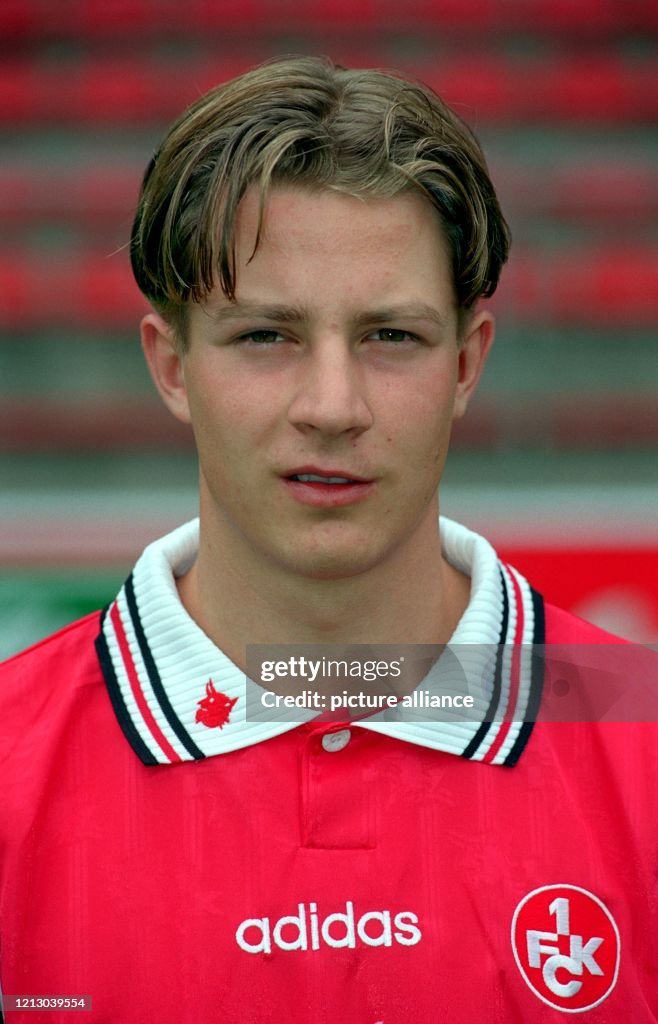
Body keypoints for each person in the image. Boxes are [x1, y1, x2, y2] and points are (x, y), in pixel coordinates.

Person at [0, 55, 656, 1024]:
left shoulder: (641, 733)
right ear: (171, 364)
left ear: (468, 361)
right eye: (266, 336)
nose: (333, 406)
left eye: (391, 336)